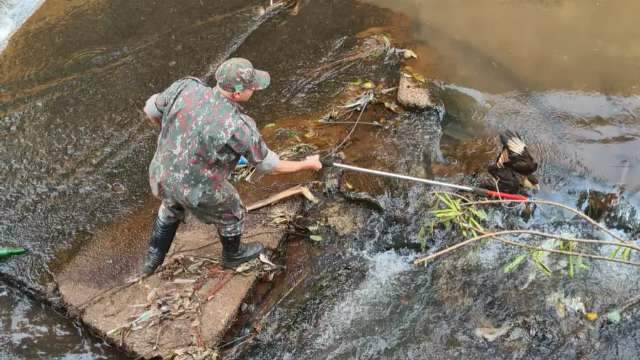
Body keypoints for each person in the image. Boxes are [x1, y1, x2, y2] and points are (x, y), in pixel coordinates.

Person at [141, 57, 322, 275]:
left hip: (162, 173)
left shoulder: (185, 87)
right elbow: (269, 166)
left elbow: (151, 110)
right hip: (195, 189)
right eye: (252, 87)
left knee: (170, 206)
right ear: (237, 94)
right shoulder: (238, 126)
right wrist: (307, 164)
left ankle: (152, 261)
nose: (255, 89)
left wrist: (173, 134)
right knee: (233, 208)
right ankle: (233, 256)